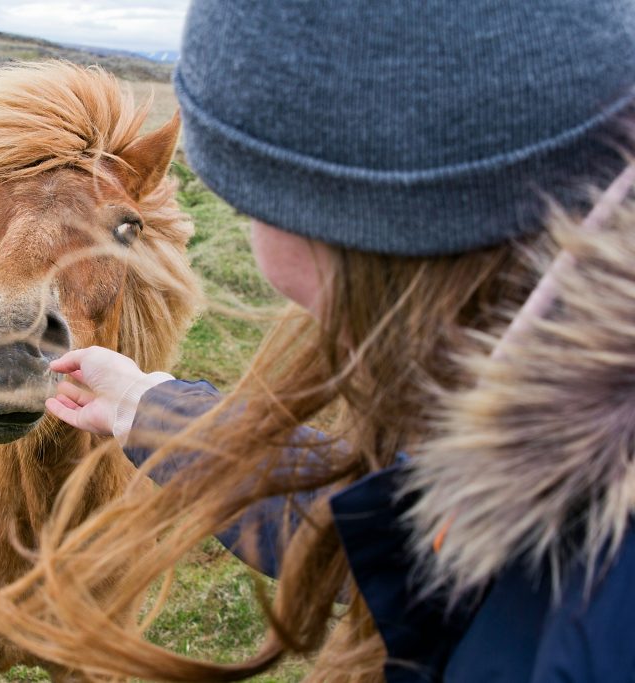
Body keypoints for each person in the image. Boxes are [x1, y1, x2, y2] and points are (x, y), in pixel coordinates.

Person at [33, 1, 635, 681]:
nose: (258, 251)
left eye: (248, 200)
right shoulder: (548, 434)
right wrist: (144, 402)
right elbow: (401, 530)